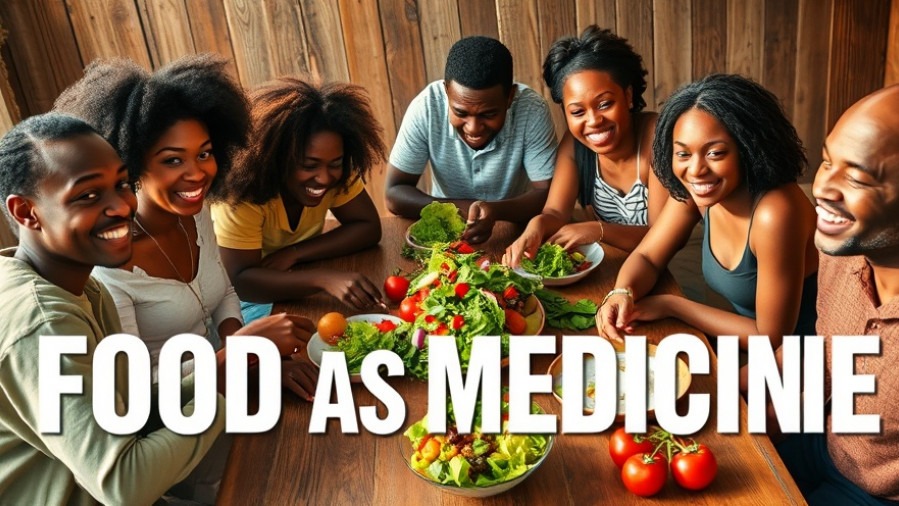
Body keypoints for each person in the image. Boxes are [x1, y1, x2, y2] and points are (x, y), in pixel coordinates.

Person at [54, 55, 317, 400]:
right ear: (129, 164)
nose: (196, 174)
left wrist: (255, 359)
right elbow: (141, 387)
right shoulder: (108, 266)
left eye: (204, 154)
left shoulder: (195, 212)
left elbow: (223, 294)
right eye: (173, 160)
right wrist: (246, 350)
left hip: (226, 383)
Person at [0, 113, 224, 504]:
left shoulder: (84, 286)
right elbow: (125, 485)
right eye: (88, 195)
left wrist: (224, 373)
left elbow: (126, 411)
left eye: (121, 184)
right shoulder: (44, 324)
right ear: (26, 212)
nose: (121, 206)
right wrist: (223, 398)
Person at [597, 74, 818, 351]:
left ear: (748, 148)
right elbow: (648, 256)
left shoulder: (776, 213)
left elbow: (770, 337)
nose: (696, 170)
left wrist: (672, 305)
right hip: (730, 338)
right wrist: (622, 292)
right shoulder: (700, 190)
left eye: (715, 153)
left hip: (794, 361)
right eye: (683, 154)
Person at [774, 85, 899, 505]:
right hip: (820, 441)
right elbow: (826, 360)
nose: (823, 187)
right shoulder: (842, 249)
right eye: (827, 161)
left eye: (857, 178)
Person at [212, 78, 387, 319]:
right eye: (309, 165)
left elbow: (368, 227)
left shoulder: (337, 170)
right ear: (277, 158)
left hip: (294, 277)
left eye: (334, 164)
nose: (324, 178)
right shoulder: (241, 196)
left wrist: (295, 252)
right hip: (237, 302)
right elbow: (242, 281)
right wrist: (322, 280)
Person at [505, 25, 667, 264]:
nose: (594, 121)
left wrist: (597, 230)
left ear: (628, 96)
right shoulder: (575, 147)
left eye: (604, 104)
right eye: (578, 111)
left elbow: (661, 237)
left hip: (673, 265)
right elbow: (556, 213)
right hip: (618, 263)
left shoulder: (657, 138)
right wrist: (536, 225)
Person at [385, 35, 557, 244]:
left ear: (510, 97)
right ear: (446, 92)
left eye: (488, 114)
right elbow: (394, 194)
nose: (473, 128)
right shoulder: (426, 107)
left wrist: (495, 211)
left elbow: (549, 194)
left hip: (515, 230)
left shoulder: (532, 111)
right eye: (460, 112)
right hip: (445, 233)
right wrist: (459, 209)